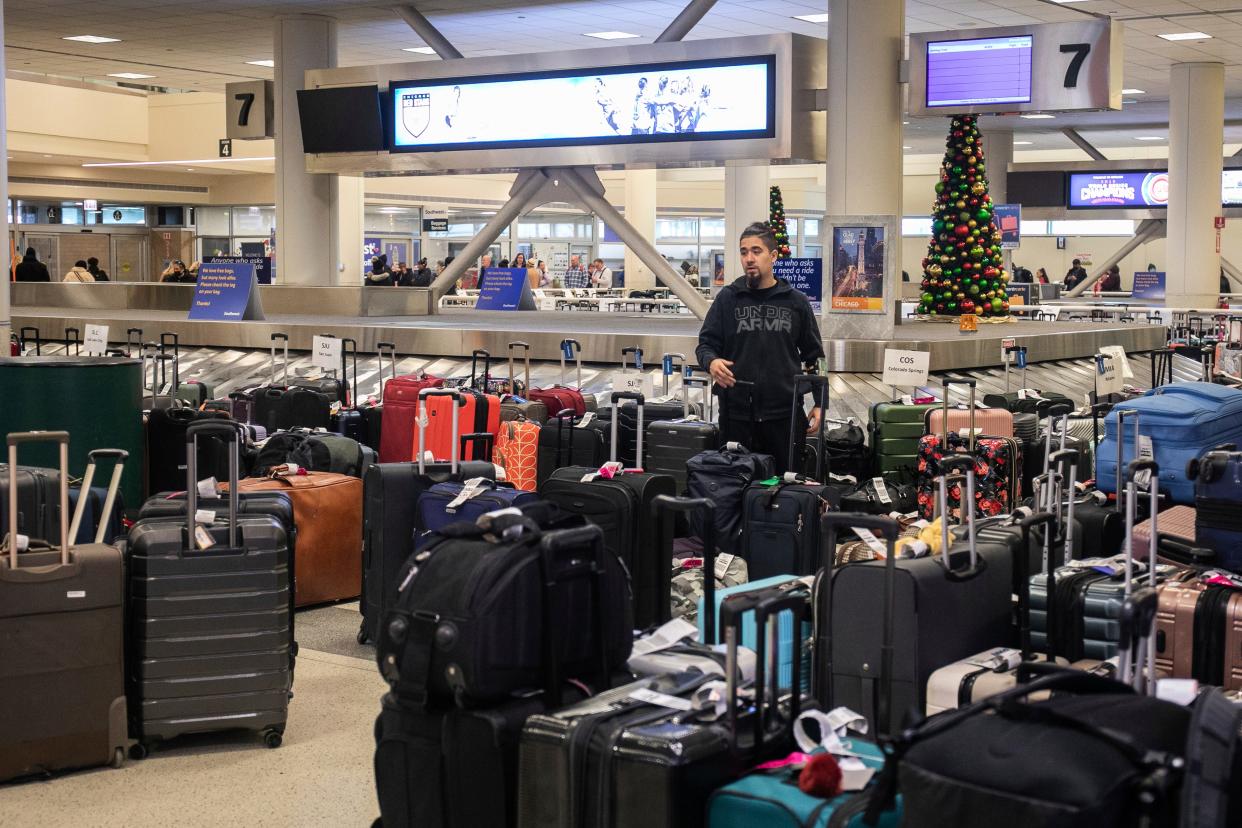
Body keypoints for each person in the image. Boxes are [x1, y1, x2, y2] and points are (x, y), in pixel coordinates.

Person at [696, 221, 825, 465]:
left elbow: (815, 356)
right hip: (736, 414)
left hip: (785, 414)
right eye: (744, 252)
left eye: (757, 251)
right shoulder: (728, 298)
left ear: (773, 256)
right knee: (735, 484)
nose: (749, 258)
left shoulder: (795, 302)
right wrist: (711, 362)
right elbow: (705, 344)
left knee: (784, 487)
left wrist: (821, 403)